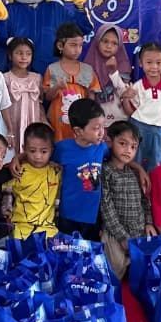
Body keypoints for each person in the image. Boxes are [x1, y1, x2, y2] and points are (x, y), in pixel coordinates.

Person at [99, 120, 155, 280]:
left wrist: (149, 222)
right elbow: (106, 208)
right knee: (115, 268)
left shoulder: (135, 173)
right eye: (122, 143)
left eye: (133, 147)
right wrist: (122, 237)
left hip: (138, 229)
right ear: (110, 141)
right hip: (114, 233)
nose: (128, 150)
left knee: (142, 270)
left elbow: (144, 201)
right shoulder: (106, 172)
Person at [116, 42, 161, 170]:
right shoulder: (137, 86)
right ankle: (138, 189)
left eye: (158, 63)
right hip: (138, 129)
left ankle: (154, 189)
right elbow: (130, 112)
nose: (154, 67)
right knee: (136, 162)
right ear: (141, 63)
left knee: (158, 166)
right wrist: (126, 97)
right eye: (149, 62)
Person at [53, 98, 108, 240]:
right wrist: (19, 158)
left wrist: (138, 168)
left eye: (103, 126)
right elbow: (41, 155)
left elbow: (118, 158)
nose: (102, 132)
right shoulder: (62, 148)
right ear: (78, 130)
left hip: (93, 217)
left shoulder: (102, 148)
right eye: (96, 128)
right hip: (68, 217)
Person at [43, 21, 100, 143]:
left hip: (80, 122)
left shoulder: (87, 69)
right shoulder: (52, 68)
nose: (78, 50)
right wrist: (57, 87)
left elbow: (91, 97)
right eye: (73, 45)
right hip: (58, 122)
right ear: (60, 46)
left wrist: (89, 118)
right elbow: (47, 97)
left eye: (80, 45)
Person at [5, 121, 60, 240]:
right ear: (24, 149)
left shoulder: (56, 171)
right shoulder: (18, 170)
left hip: (48, 233)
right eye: (32, 151)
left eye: (44, 151)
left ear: (52, 150)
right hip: (20, 232)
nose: (38, 156)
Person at [84, 26, 131, 128]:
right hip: (98, 122)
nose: (109, 46)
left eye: (114, 43)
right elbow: (88, 97)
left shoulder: (122, 64)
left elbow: (124, 92)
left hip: (120, 121)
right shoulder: (88, 66)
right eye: (105, 41)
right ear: (97, 42)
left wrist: (114, 71)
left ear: (119, 46)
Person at [4, 36, 44, 156]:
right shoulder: (5, 78)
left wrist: (44, 121)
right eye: (19, 53)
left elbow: (40, 103)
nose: (24, 57)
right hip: (13, 122)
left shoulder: (37, 78)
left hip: (33, 121)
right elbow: (3, 106)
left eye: (28, 54)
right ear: (10, 56)